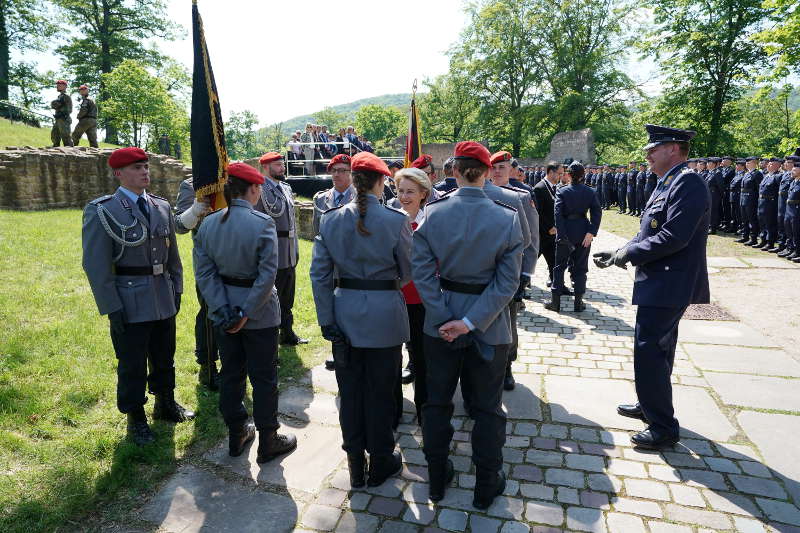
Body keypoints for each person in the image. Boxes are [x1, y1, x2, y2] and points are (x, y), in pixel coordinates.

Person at [413, 141, 523, 509]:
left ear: (455, 171)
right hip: (488, 326)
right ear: (488, 171)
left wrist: (447, 317)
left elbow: (422, 272)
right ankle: (485, 485)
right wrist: (470, 322)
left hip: (440, 322)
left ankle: (436, 481)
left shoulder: (433, 212)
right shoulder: (506, 215)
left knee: (437, 403)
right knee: (488, 408)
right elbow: (507, 283)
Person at [594, 124, 710, 449]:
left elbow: (674, 236)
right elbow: (648, 230)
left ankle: (662, 427)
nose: (647, 153)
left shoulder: (688, 183)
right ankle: (650, 406)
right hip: (659, 280)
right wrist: (620, 251)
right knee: (657, 349)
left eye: (653, 148)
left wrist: (627, 254)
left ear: (673, 149)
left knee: (649, 351)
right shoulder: (668, 183)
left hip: (670, 282)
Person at [310, 151, 411, 488]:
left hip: (345, 314)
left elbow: (319, 275)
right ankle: (381, 459)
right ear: (382, 182)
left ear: (353, 181)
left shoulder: (330, 218)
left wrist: (327, 319)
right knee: (382, 392)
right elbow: (408, 272)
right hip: (384, 314)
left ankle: (355, 460)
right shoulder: (396, 220)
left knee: (350, 391)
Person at [82, 147, 194, 446]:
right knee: (132, 362)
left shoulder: (160, 206)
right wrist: (111, 307)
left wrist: (178, 288)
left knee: (164, 354)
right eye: (135, 168)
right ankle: (135, 418)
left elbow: (173, 255)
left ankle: (165, 403)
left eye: (145, 166)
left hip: (161, 293)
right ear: (118, 174)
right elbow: (95, 263)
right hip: (128, 299)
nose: (144, 172)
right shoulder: (104, 209)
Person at [193, 162, 297, 462]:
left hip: (224, 310)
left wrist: (224, 309)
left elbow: (205, 274)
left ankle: (236, 432)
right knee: (264, 377)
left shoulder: (208, 224)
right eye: (258, 189)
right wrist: (247, 313)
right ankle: (268, 439)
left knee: (231, 374)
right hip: (259, 313)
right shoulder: (263, 222)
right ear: (253, 189)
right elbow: (268, 276)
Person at [488, 150, 539, 391]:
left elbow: (531, 239)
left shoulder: (521, 196)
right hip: (484, 271)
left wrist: (525, 274)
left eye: (502, 167)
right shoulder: (482, 194)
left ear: (511, 169)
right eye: (494, 167)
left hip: (510, 272)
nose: (497, 171)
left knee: (508, 322)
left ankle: (507, 366)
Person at [257, 152, 308, 345]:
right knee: (272, 297)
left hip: (288, 250)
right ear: (266, 167)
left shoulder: (285, 187)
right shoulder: (260, 188)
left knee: (288, 296)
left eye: (282, 164)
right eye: (277, 165)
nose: (282, 167)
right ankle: (270, 336)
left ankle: (287, 333)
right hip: (272, 250)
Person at [394, 168, 432, 422]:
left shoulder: (431, 221)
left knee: (421, 357)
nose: (404, 196)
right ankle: (394, 410)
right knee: (391, 358)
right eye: (400, 191)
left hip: (421, 300)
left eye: (410, 191)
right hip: (392, 299)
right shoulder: (389, 219)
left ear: (423, 194)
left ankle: (424, 408)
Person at [173, 177, 217, 389]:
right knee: (209, 310)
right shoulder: (191, 185)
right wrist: (194, 209)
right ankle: (207, 362)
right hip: (208, 258)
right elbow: (179, 226)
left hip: (237, 253)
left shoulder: (233, 178)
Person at [545, 162, 602, 313]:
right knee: (581, 267)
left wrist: (562, 235)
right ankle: (578, 302)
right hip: (583, 231)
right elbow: (597, 212)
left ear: (568, 175)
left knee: (559, 267)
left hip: (566, 231)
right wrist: (591, 232)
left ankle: (555, 303)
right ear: (583, 175)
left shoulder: (562, 191)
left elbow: (557, 214)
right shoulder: (590, 191)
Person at [533, 163, 562, 288]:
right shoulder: (539, 188)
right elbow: (538, 212)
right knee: (531, 260)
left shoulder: (555, 187)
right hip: (541, 233)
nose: (561, 176)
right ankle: (521, 285)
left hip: (552, 233)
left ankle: (557, 284)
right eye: (559, 173)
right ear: (551, 172)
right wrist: (549, 227)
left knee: (554, 260)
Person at [313, 154, 355, 235]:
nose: (336, 174)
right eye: (333, 170)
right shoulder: (320, 199)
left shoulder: (360, 198)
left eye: (342, 170)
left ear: (351, 172)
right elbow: (317, 234)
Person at [756, 157, 782, 250]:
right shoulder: (766, 175)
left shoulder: (778, 176)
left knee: (770, 223)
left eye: (771, 164)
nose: (768, 165)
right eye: (768, 164)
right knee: (762, 222)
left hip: (771, 203)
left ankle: (770, 242)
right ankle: (763, 240)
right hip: (762, 202)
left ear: (777, 166)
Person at [772, 157, 795, 253]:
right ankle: (782, 245)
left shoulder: (793, 176)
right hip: (781, 203)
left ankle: (789, 247)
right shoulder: (785, 174)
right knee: (781, 224)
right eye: (785, 162)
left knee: (788, 227)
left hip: (788, 204)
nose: (785, 163)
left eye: (788, 162)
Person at [739, 157, 763, 246]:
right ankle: (745, 236)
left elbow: (759, 189)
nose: (746, 164)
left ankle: (753, 238)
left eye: (748, 163)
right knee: (744, 219)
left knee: (752, 219)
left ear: (754, 163)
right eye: (746, 163)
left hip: (751, 199)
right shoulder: (747, 173)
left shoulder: (757, 174)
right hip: (743, 199)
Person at [784, 158, 800, 263]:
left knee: (797, 232)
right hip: (789, 209)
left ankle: (798, 252)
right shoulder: (794, 181)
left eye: (794, 170)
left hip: (797, 210)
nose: (792, 171)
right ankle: (793, 249)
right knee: (790, 231)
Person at [50, 80, 73, 147]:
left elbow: (69, 109)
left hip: (64, 119)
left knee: (66, 137)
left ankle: (70, 152)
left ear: (65, 86)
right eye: (57, 85)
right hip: (58, 119)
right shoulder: (60, 96)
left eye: (59, 85)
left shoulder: (66, 96)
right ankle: (56, 149)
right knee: (55, 135)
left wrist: (62, 113)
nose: (57, 86)